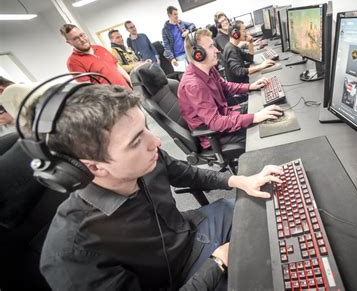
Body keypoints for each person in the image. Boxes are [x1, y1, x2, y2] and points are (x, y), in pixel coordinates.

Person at [21, 83, 283, 290]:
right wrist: (217, 264)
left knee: (274, 208)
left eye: (146, 128)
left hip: (194, 231)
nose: (156, 141)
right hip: (184, 280)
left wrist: (238, 180)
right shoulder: (71, 252)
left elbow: (187, 174)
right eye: (136, 141)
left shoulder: (149, 159)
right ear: (94, 167)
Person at [178, 29, 283, 150]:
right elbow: (215, 122)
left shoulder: (208, 69)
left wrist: (250, 86)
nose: (217, 50)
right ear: (198, 54)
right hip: (216, 135)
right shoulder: (194, 85)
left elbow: (226, 86)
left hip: (226, 114)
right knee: (268, 131)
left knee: (265, 106)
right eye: (211, 46)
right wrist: (255, 117)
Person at [60, 24, 131, 87]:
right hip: (111, 100)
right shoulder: (73, 62)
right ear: (69, 42)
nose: (82, 40)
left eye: (82, 35)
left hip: (128, 91)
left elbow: (117, 66)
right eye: (75, 38)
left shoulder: (100, 48)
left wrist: (132, 82)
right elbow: (88, 88)